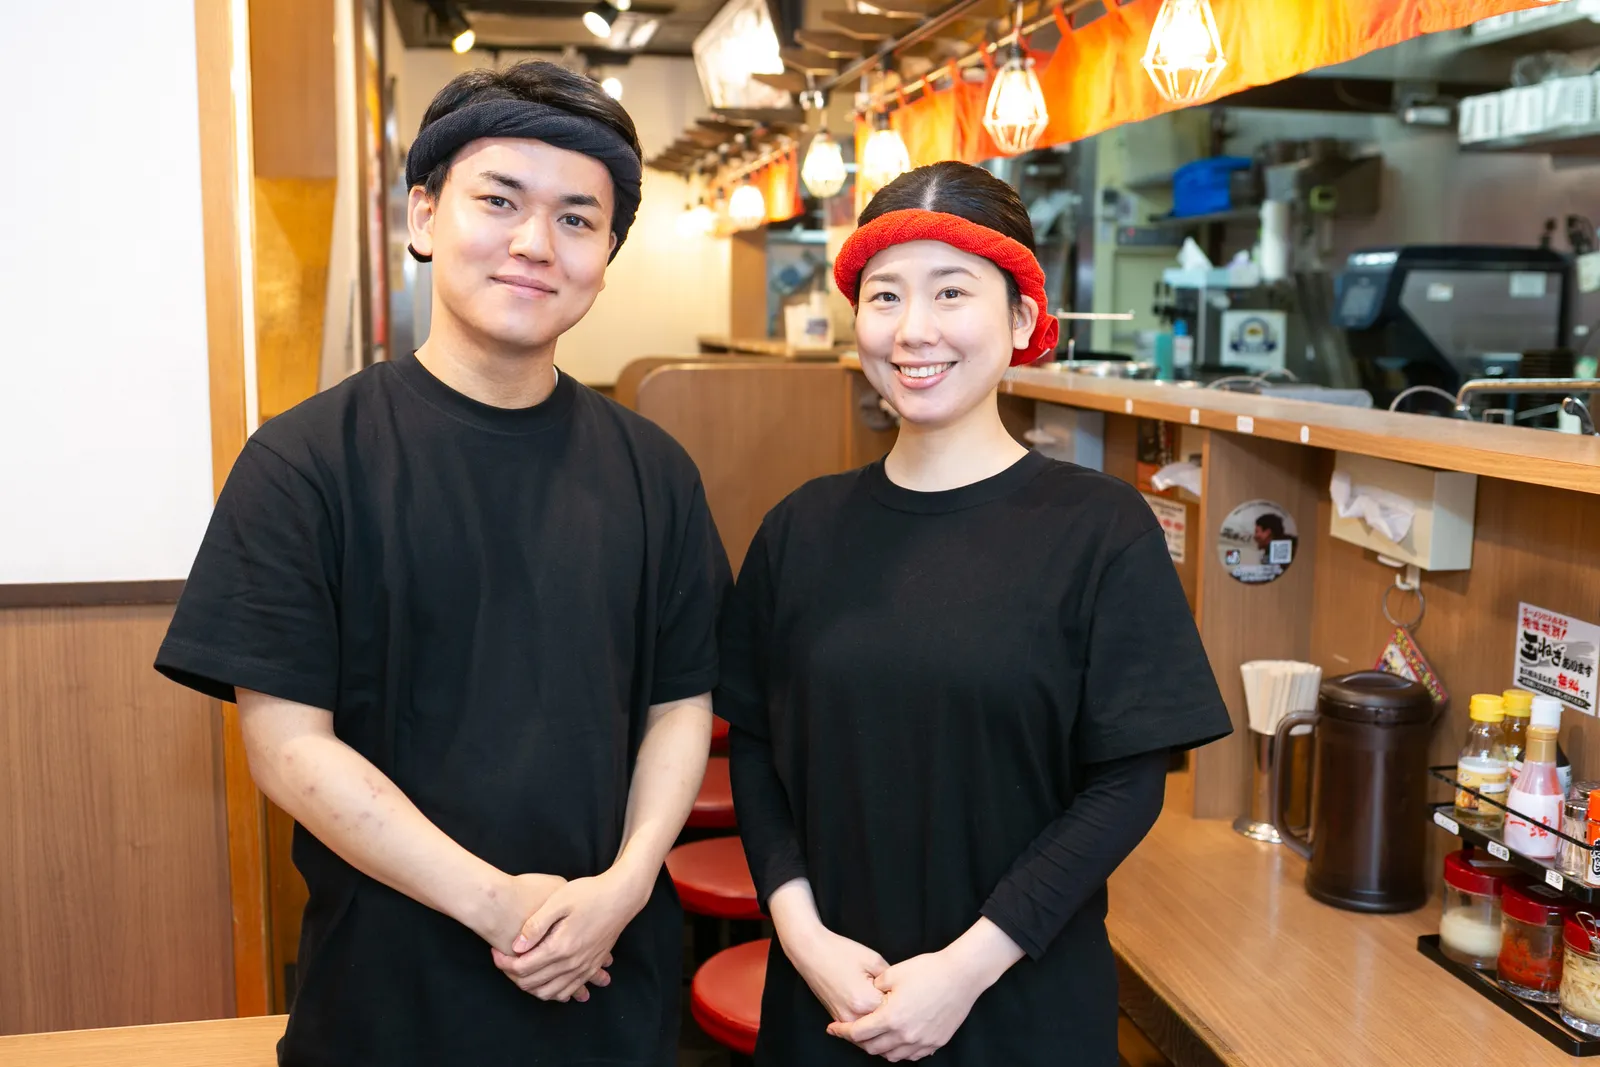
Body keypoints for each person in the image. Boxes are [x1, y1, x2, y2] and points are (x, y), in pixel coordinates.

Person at [155, 61, 728, 1066]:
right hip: (388, 995)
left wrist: (630, 882)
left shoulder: (655, 470)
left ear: (604, 255)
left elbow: (679, 703)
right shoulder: (304, 459)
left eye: (575, 219)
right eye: (498, 200)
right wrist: (498, 904)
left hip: (606, 982)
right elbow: (286, 743)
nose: (531, 243)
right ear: (423, 214)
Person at [719, 161, 1233, 1066]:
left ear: (1023, 319)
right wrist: (800, 934)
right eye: (886, 296)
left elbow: (1126, 784)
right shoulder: (800, 527)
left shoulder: (1100, 527)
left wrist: (963, 968)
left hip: (1016, 1003)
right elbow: (757, 746)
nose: (913, 330)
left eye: (951, 291)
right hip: (829, 998)